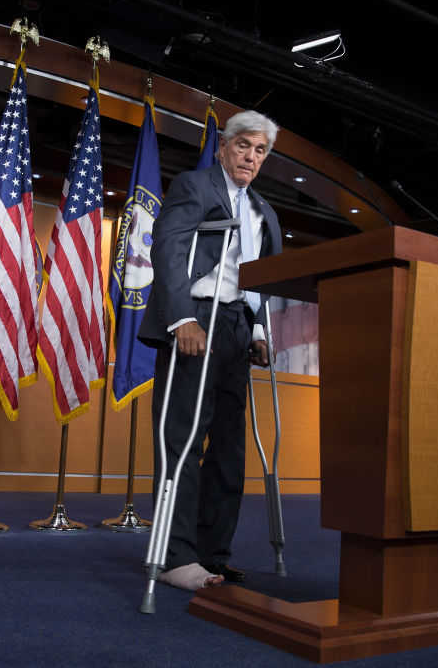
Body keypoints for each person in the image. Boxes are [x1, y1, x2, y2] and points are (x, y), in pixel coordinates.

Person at [138, 110, 282, 591]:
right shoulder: (194, 187)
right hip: (199, 319)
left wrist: (260, 330)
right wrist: (181, 318)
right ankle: (176, 556)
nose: (251, 157)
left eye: (260, 151)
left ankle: (212, 554)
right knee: (181, 442)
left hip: (238, 328)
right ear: (224, 147)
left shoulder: (264, 210)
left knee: (228, 450)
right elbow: (169, 248)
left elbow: (263, 276)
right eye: (244, 146)